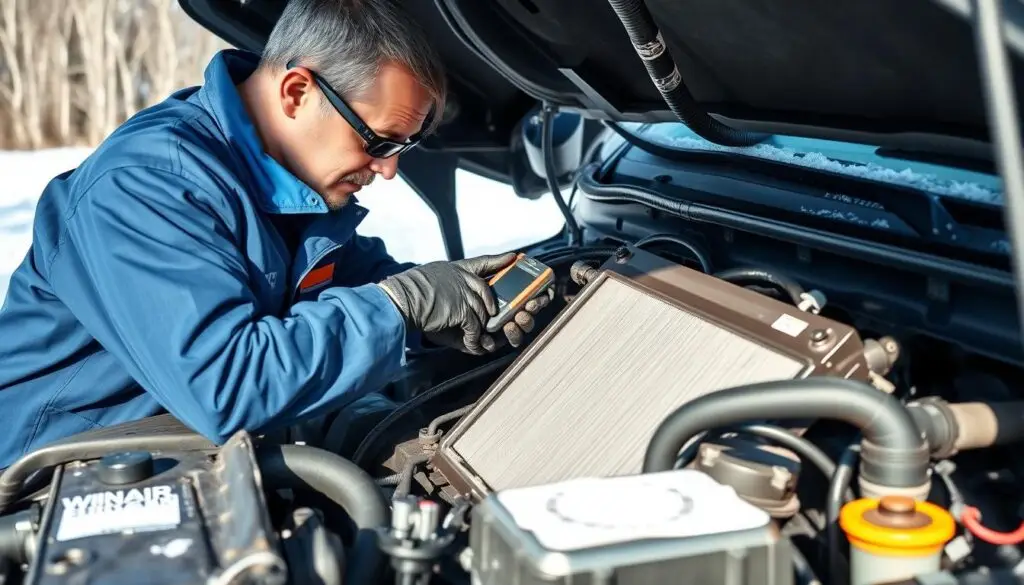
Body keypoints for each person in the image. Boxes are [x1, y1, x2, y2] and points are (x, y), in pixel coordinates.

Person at [0, 0, 552, 468]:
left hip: (175, 456)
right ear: (296, 92)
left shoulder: (283, 179)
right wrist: (402, 309)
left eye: (401, 149)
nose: (388, 170)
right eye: (380, 142)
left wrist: (446, 307)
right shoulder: (148, 186)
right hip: (55, 480)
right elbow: (229, 384)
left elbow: (359, 280)